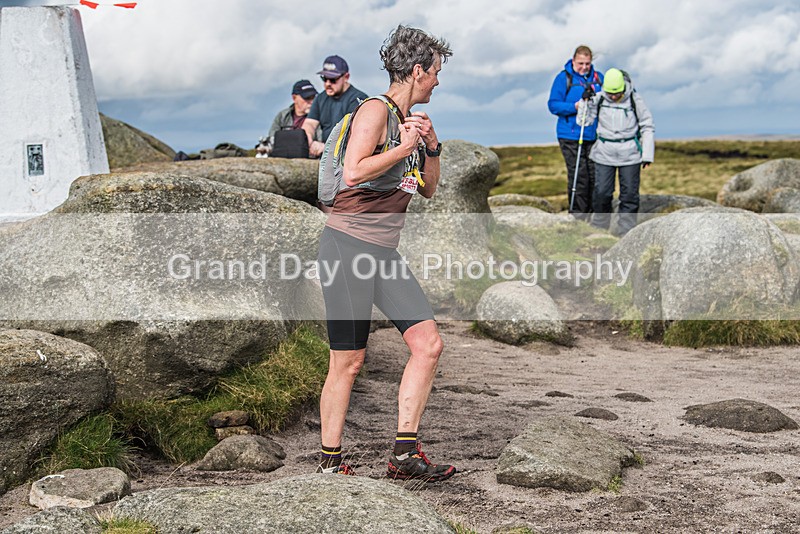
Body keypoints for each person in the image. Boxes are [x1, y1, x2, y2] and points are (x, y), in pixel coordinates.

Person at [316, 25, 455, 482]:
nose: (437, 80)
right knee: (349, 361)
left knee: (427, 344)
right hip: (348, 249)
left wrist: (429, 146)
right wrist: (405, 148)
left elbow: (429, 188)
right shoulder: (375, 111)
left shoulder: (411, 122)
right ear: (417, 71)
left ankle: (404, 455)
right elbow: (354, 171)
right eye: (435, 72)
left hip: (383, 254)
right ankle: (330, 461)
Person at [577, 67, 655, 236]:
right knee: (602, 193)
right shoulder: (598, 99)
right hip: (604, 152)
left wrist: (647, 154)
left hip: (630, 153)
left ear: (623, 88)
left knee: (629, 195)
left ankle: (625, 232)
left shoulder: (635, 99)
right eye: (610, 93)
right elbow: (584, 121)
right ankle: (599, 228)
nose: (613, 97)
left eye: (617, 93)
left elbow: (647, 125)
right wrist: (585, 103)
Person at [547, 45, 604, 220]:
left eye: (587, 63)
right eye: (581, 63)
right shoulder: (563, 78)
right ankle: (578, 215)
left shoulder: (598, 78)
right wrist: (574, 106)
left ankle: (594, 214)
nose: (584, 67)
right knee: (579, 175)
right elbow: (553, 105)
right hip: (570, 134)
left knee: (595, 175)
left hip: (593, 135)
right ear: (573, 61)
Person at [303, 55, 368, 157]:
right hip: (325, 157)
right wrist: (308, 141)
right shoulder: (320, 98)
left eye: (333, 80)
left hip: (347, 158)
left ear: (346, 77)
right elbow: (309, 124)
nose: (328, 83)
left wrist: (326, 148)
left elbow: (356, 136)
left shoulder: (358, 100)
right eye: (324, 79)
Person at [255, 79, 322, 157]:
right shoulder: (282, 116)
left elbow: (322, 140)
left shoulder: (318, 117)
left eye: (313, 97)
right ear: (294, 98)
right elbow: (272, 139)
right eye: (307, 98)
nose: (312, 101)